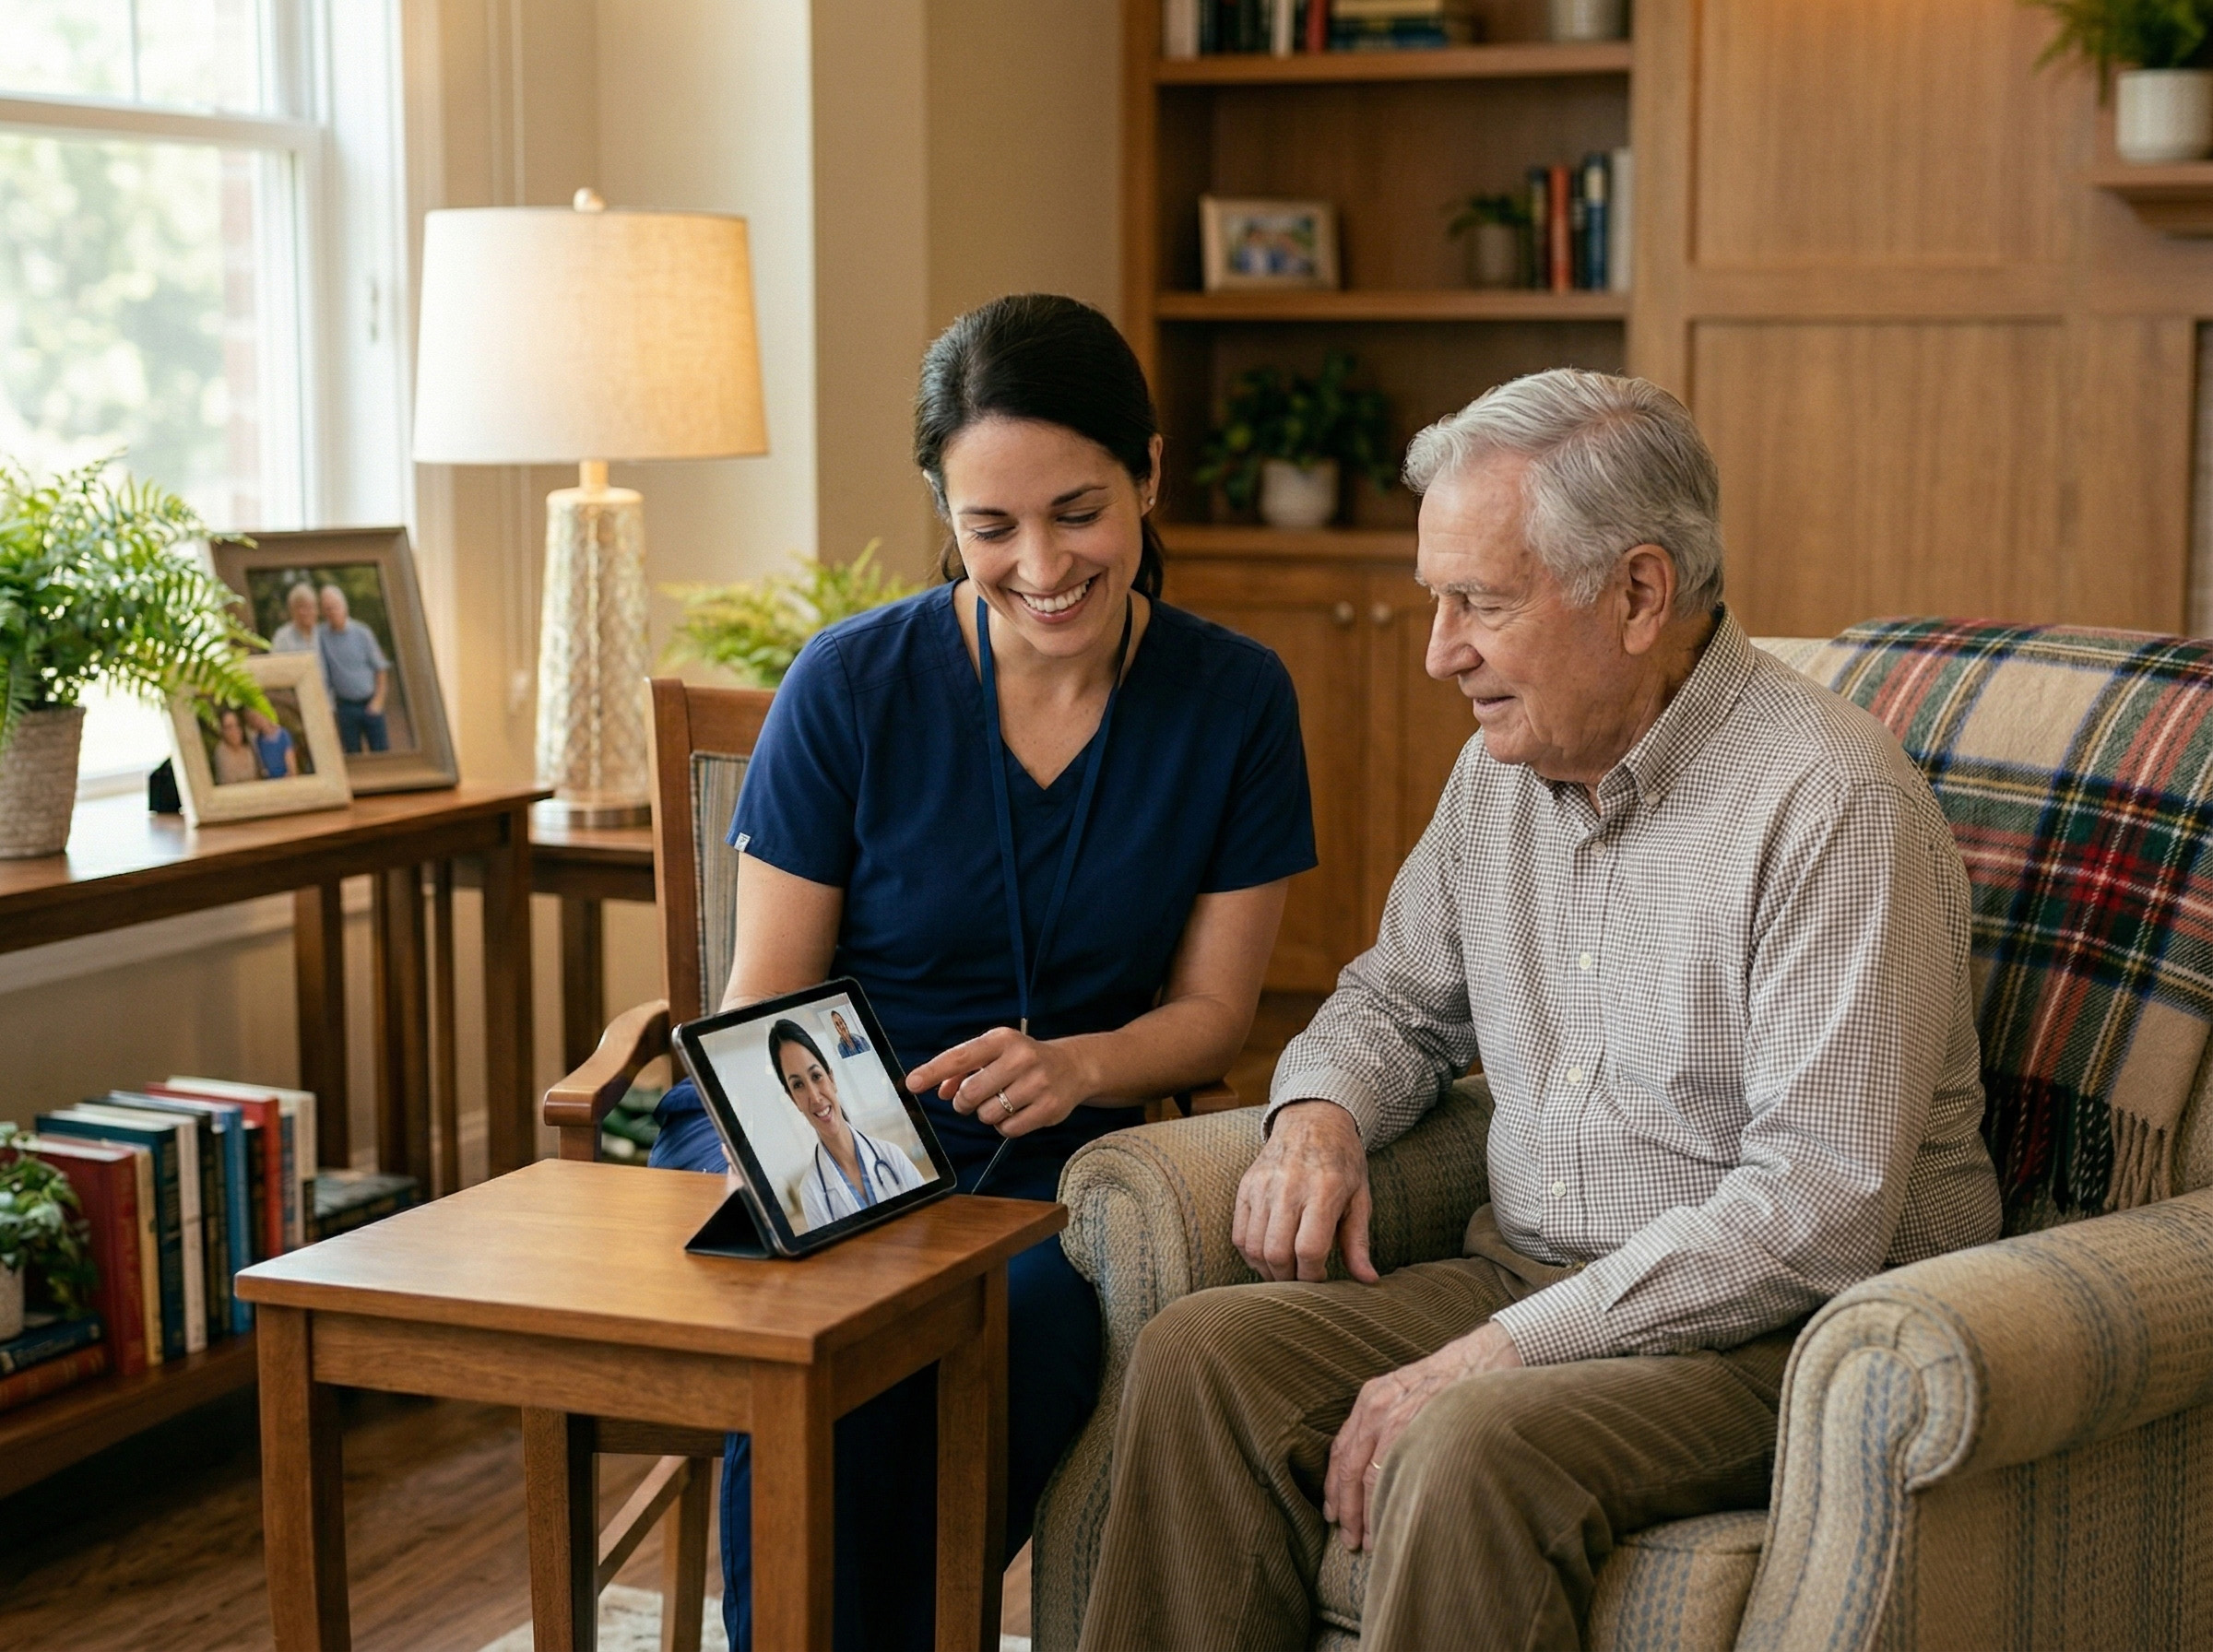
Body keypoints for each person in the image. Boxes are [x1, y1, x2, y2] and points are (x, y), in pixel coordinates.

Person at [1076, 370, 2005, 1652]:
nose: (1437, 650)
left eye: (1482, 604)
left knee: (1467, 1445)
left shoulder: (1830, 805)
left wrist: (1500, 1351)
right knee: (1199, 1361)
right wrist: (1321, 1115)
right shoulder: (1499, 773)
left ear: (1638, 595)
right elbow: (1393, 1002)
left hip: (1776, 1335)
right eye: (1435, 600)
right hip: (1530, 1276)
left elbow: (1816, 1210)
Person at [646, 292, 1318, 1650]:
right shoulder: (848, 684)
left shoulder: (1237, 699)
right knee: (828, 1334)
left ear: (1148, 477)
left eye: (1079, 512)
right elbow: (764, 998)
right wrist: (842, 1158)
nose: (1041, 564)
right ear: (944, 514)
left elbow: (1212, 1019)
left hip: (1060, 1165)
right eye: (990, 525)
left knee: (1011, 1325)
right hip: (813, 1133)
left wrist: (1075, 1063)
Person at [767, 1019, 928, 1228]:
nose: (815, 1097)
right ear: (793, 1099)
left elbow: (933, 1219)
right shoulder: (811, 1192)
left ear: (831, 1079)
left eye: (816, 1076)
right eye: (798, 1085)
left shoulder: (892, 1156)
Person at [316, 584, 392, 753]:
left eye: (334, 607)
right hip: (345, 707)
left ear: (344, 607)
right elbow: (324, 674)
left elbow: (381, 669)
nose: (331, 612)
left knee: (381, 754)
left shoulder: (362, 633)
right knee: (352, 755)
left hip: (370, 703)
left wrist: (378, 701)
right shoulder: (321, 636)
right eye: (327, 609)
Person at [243, 707, 300, 778]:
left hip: (286, 779)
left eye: (257, 717)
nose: (257, 721)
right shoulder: (258, 740)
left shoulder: (283, 734)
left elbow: (292, 767)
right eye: (252, 719)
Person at [209, 708, 260, 784]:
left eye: (237, 725)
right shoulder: (221, 751)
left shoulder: (249, 748)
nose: (235, 730)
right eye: (229, 727)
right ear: (222, 731)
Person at [268, 581, 320, 654]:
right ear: (292, 610)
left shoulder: (323, 634)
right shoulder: (282, 638)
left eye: (310, 607)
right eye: (301, 607)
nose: (305, 612)